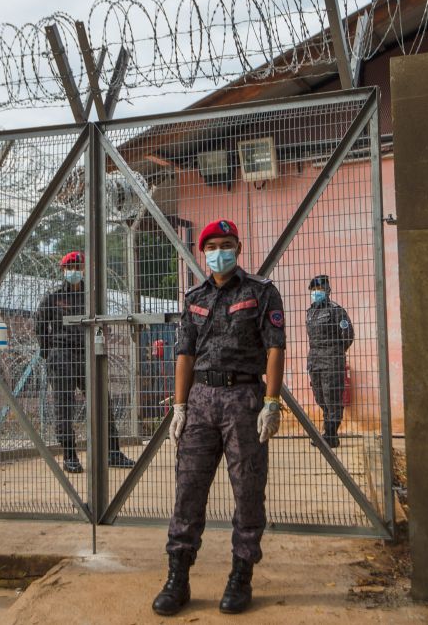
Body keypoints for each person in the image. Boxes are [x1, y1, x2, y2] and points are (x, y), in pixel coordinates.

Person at [152, 219, 285, 616]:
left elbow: (275, 347)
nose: (219, 251)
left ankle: (240, 576)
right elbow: (184, 354)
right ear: (203, 252)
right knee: (188, 491)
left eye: (227, 244)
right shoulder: (194, 296)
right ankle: (178, 578)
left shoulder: (261, 292)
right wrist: (179, 406)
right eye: (213, 245)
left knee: (248, 489)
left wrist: (272, 401)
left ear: (238, 249)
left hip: (244, 398)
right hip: (200, 401)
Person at [35, 250, 136, 473]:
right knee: (64, 406)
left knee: (102, 402)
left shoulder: (91, 297)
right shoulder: (53, 298)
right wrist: (48, 353)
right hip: (61, 355)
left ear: (84, 269)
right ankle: (70, 455)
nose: (74, 271)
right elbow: (40, 326)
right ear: (63, 270)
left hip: (87, 353)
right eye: (69, 267)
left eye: (77, 266)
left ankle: (113, 452)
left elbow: (102, 324)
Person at [306, 274, 354, 448]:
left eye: (319, 289)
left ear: (327, 290)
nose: (316, 292)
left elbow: (348, 335)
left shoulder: (336, 310)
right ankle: (329, 432)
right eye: (314, 289)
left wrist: (336, 353)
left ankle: (331, 435)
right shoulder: (310, 312)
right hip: (315, 361)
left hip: (332, 361)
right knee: (320, 397)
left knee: (332, 396)